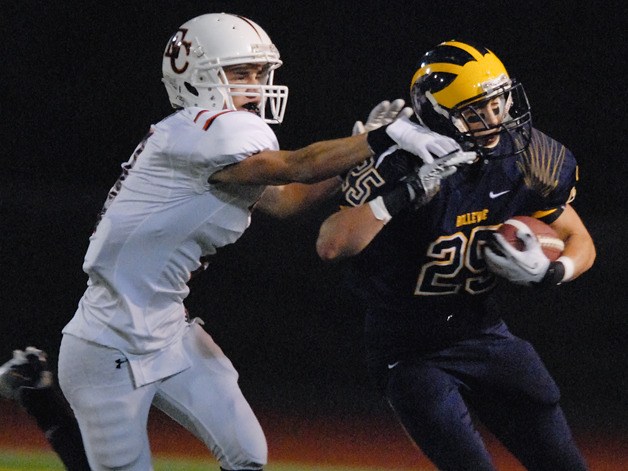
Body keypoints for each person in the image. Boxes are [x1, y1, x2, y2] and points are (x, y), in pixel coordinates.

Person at [53, 13, 464, 471]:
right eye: (240, 73)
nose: (255, 85)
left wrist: (356, 151)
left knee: (248, 454)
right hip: (106, 344)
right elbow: (293, 166)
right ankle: (41, 404)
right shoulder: (199, 130)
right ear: (195, 79)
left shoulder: (213, 147)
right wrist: (380, 138)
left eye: (260, 74)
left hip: (167, 332)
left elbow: (287, 200)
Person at [314, 40, 596, 470]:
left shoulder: (526, 157)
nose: (494, 120)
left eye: (498, 104)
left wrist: (554, 271)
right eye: (474, 112)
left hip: (484, 332)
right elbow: (331, 243)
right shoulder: (397, 162)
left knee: (562, 461)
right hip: (409, 349)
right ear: (434, 115)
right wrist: (402, 194)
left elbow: (579, 237)